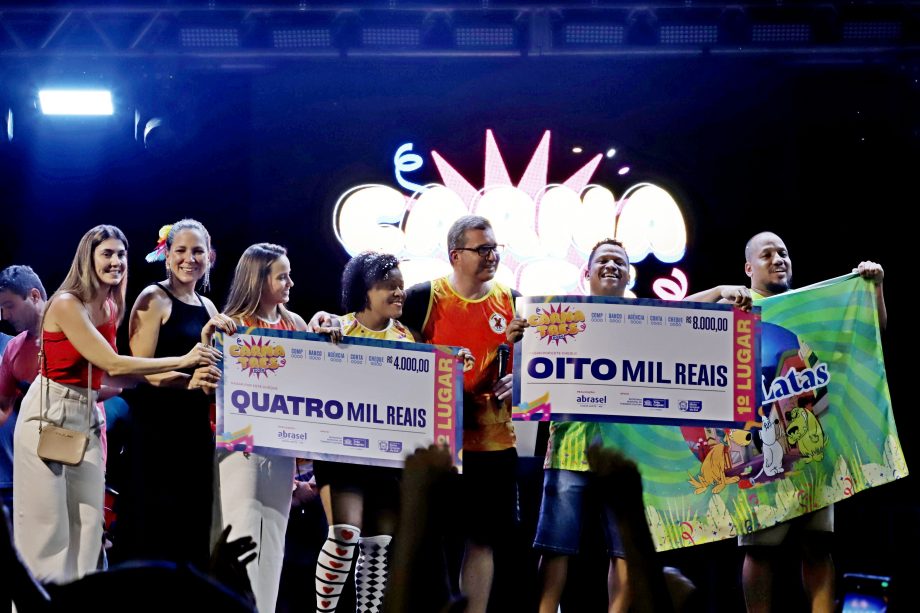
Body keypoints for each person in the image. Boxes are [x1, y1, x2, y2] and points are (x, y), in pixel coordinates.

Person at [506, 238, 750, 613]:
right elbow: (527, 370)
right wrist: (518, 342)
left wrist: (719, 290)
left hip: (626, 456)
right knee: (554, 549)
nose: (611, 266)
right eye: (603, 260)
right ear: (587, 272)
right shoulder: (558, 318)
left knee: (623, 552)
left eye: (619, 262)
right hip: (568, 451)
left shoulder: (641, 318)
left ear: (629, 275)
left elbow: (682, 312)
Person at [12, 224, 220, 584]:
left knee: (90, 529)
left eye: (121, 254)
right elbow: (113, 362)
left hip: (87, 413)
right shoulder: (66, 303)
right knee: (47, 532)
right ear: (88, 258)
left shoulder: (109, 306)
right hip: (50, 412)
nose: (116, 261)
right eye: (107, 253)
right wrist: (185, 360)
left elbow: (116, 376)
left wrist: (189, 380)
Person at [738, 231, 886, 613]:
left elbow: (872, 332)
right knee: (760, 551)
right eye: (767, 254)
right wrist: (721, 293)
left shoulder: (813, 307)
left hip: (814, 452)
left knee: (818, 547)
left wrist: (874, 286)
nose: (778, 259)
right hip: (762, 450)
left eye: (783, 252)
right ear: (749, 268)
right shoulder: (738, 308)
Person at [397, 215, 518, 613]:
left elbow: (539, 368)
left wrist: (520, 381)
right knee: (432, 541)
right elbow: (384, 343)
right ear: (455, 255)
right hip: (438, 448)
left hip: (494, 445)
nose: (491, 256)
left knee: (482, 541)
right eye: (482, 249)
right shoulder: (422, 298)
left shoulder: (513, 301)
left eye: (494, 248)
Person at [117, 219, 234, 570]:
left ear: (210, 257)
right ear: (166, 256)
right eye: (180, 250)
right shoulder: (153, 298)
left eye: (197, 251)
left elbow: (213, 369)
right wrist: (189, 382)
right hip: (156, 434)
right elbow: (139, 369)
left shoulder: (209, 307)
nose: (189, 258)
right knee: (154, 533)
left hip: (195, 434)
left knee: (191, 532)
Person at [314, 252, 419, 613]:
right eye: (389, 286)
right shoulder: (334, 328)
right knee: (344, 537)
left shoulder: (407, 338)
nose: (399, 292)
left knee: (378, 546)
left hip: (387, 457)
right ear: (365, 290)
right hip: (341, 453)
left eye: (401, 286)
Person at [218, 242, 308, 613]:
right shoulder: (231, 325)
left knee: (273, 542)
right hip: (240, 448)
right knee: (241, 537)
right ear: (258, 280)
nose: (290, 283)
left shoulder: (295, 324)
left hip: (281, 451)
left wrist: (329, 331)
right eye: (282, 277)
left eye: (289, 275)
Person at [0, 266, 48, 514]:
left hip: (78, 458)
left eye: (9, 306)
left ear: (34, 296)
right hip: (31, 469)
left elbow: (112, 387)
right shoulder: (14, 348)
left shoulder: (75, 330)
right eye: (2, 308)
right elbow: (3, 406)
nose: (5, 315)